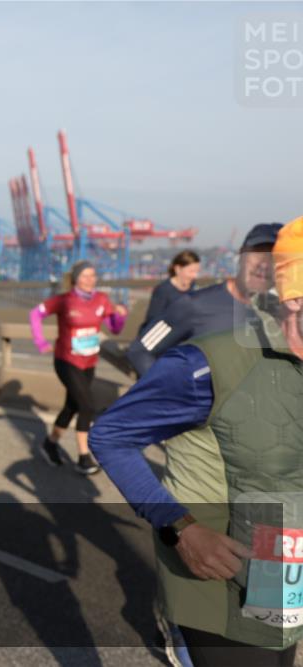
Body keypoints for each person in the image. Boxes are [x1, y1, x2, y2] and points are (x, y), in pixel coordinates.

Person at [90, 216, 303, 667]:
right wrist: (180, 526)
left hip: (284, 579)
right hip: (221, 580)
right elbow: (111, 432)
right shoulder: (203, 359)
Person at [127, 224, 282, 377]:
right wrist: (173, 393)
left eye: (275, 257)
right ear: (241, 255)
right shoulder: (194, 305)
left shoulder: (287, 315)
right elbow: (139, 351)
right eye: (258, 253)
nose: (264, 264)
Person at [28, 261, 127, 474]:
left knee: (72, 406)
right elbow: (35, 314)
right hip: (66, 360)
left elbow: (115, 329)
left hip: (89, 361)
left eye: (93, 275)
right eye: (85, 276)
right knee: (87, 406)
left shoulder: (102, 299)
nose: (90, 279)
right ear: (75, 279)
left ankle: (50, 443)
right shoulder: (64, 300)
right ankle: (84, 457)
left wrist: (121, 315)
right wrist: (40, 342)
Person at [137, 251, 200, 338]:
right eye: (191, 271)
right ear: (178, 269)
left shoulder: (192, 287)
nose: (195, 276)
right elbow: (153, 320)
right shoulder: (163, 290)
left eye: (197, 271)